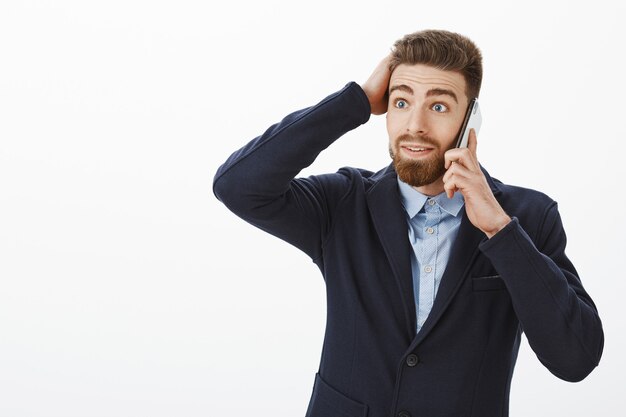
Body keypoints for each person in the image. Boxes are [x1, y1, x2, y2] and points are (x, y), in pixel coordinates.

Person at [213, 29, 604, 417]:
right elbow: (237, 186)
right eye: (401, 102)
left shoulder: (527, 218)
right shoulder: (343, 203)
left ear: (471, 121)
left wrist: (500, 232)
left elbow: (575, 359)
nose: (414, 125)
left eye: (438, 107)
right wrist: (357, 102)